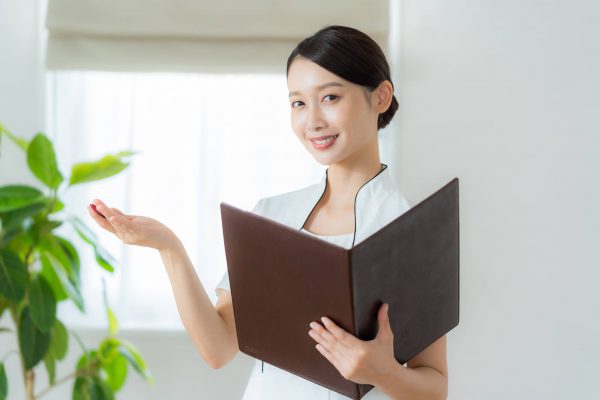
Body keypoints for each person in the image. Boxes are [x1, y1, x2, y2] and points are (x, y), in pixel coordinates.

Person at [87, 25, 448, 400]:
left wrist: (382, 372)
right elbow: (218, 348)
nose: (312, 121)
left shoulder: (413, 233)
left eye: (330, 97)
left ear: (381, 97)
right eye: (298, 103)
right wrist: (169, 247)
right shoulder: (272, 215)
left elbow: (435, 388)